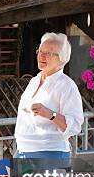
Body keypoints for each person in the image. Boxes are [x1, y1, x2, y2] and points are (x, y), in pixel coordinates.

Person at [14, 32, 84, 165]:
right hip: (23, 151)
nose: (42, 56)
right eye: (40, 51)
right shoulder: (34, 80)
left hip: (50, 154)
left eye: (49, 53)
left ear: (62, 59)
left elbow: (75, 126)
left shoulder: (66, 85)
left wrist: (50, 114)